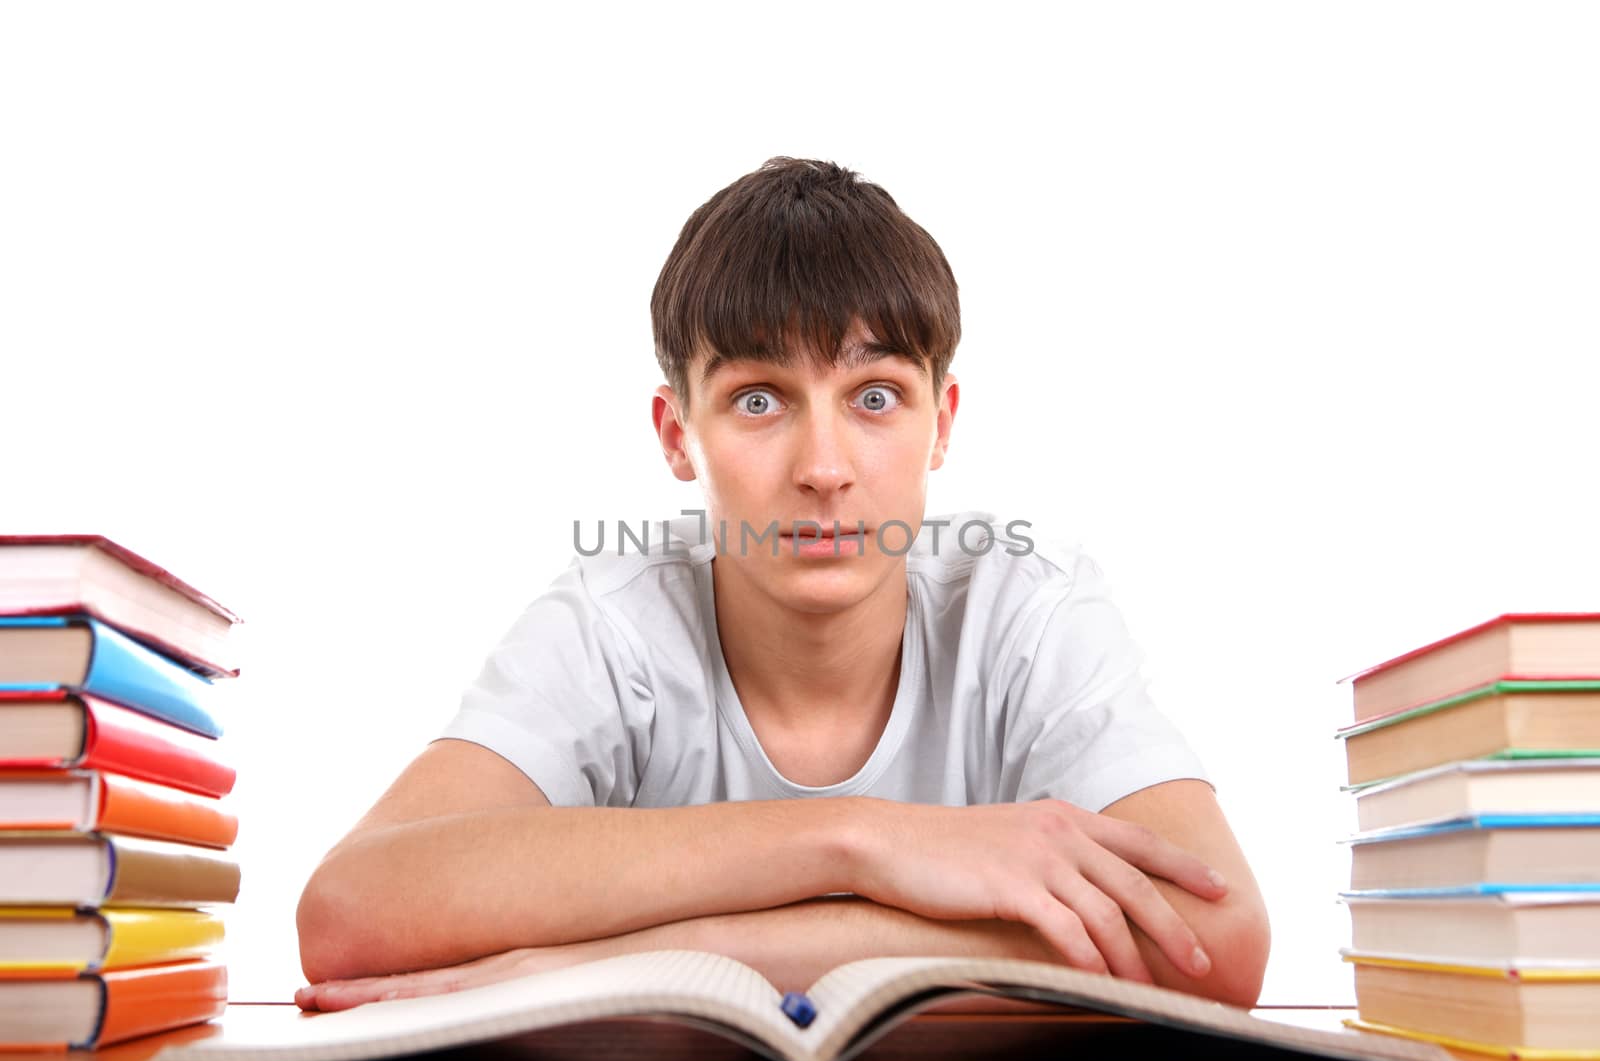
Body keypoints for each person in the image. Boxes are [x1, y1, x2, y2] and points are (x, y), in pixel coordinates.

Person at [294, 157, 1270, 1012]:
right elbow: (348, 912)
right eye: (758, 399)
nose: (824, 466)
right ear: (678, 435)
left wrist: (681, 952)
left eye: (875, 396)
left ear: (941, 422)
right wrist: (855, 840)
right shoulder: (612, 621)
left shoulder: (1026, 607)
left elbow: (1216, 938)